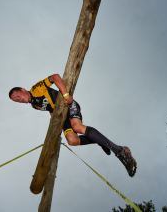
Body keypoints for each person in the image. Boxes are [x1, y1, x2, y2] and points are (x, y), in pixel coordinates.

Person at [9, 74, 137, 177]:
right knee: (72, 140)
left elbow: (55, 77)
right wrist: (54, 121)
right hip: (61, 117)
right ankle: (99, 141)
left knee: (77, 127)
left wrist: (65, 94)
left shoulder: (36, 89)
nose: (18, 99)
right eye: (16, 100)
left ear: (23, 89)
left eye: (17, 95)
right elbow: (50, 108)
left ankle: (120, 151)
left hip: (68, 105)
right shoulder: (34, 106)